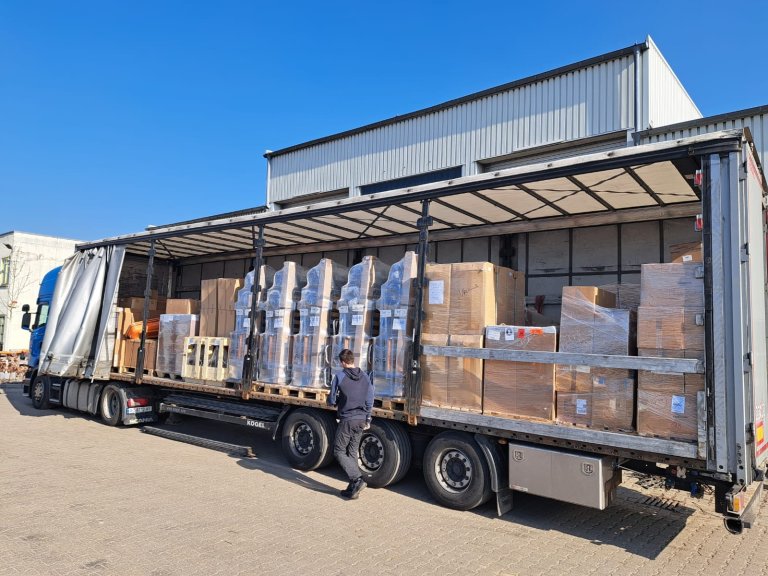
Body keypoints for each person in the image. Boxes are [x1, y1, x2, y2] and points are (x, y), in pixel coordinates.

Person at [327, 348, 374, 499]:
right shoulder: (365, 377)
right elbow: (370, 399)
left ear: (342, 362)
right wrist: (368, 418)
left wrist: (334, 401)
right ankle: (353, 488)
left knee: (339, 451)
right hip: (361, 420)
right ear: (353, 360)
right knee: (352, 452)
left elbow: (332, 400)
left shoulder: (340, 376)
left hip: (348, 419)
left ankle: (357, 479)